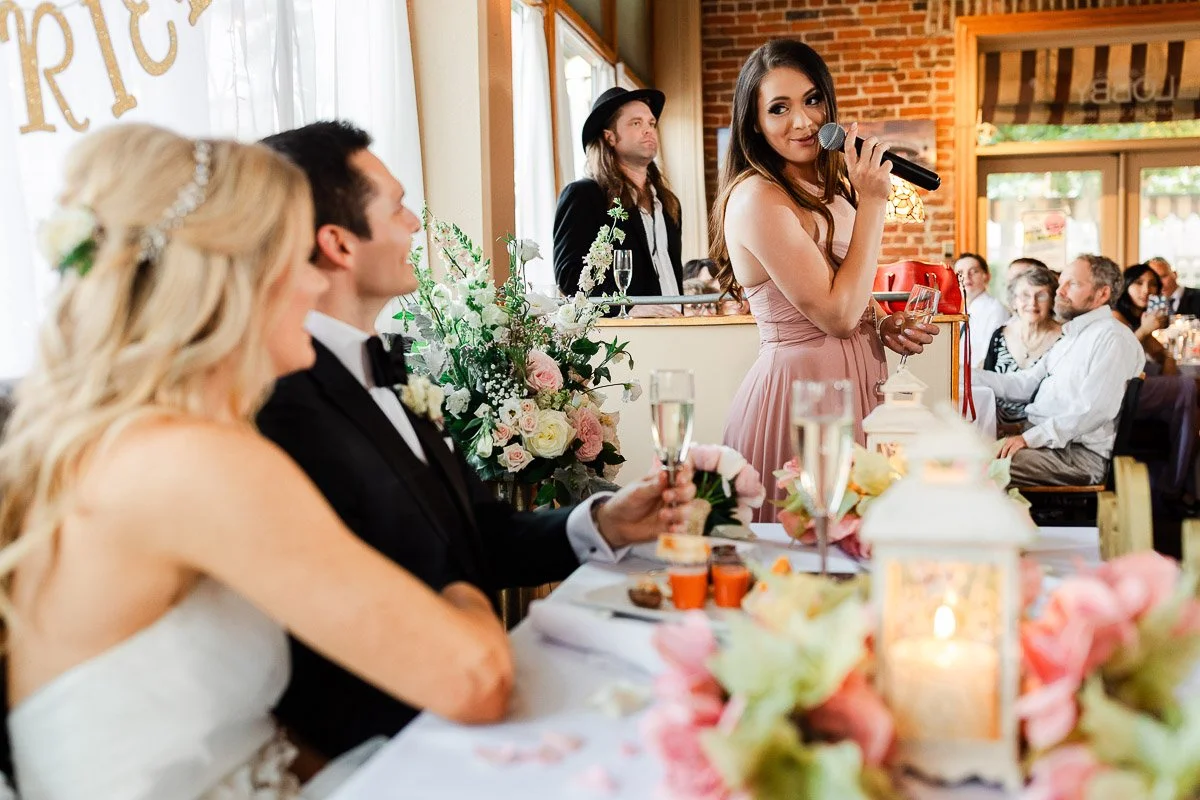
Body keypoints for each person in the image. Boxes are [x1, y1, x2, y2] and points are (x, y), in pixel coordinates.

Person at [0, 125, 520, 798]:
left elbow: (231, 732)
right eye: (294, 254)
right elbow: (476, 680)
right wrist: (461, 589)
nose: (313, 280)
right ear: (237, 278)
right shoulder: (192, 462)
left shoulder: (117, 443)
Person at [258, 121, 695, 764]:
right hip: (397, 739)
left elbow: (480, 537)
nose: (414, 224)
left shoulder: (397, 366)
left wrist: (601, 522)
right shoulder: (282, 402)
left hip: (479, 701)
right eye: (397, 207)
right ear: (338, 244)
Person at [711, 39, 936, 523]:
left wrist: (883, 323)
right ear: (754, 123)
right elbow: (835, 316)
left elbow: (848, 296)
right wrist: (876, 202)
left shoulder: (829, 187)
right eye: (779, 108)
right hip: (800, 398)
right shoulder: (757, 198)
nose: (803, 121)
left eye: (813, 100)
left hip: (858, 392)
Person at [979, 254, 1144, 487]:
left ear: (1102, 294)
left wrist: (1027, 438)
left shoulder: (1112, 338)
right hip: (1051, 447)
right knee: (960, 450)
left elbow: (1093, 411)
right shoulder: (1072, 336)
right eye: (1062, 282)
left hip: (1079, 456)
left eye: (1072, 284)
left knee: (972, 467)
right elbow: (1025, 384)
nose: (1060, 291)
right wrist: (963, 374)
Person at [553, 87, 683, 318]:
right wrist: (626, 308)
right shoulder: (583, 195)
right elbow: (569, 276)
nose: (648, 130)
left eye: (651, 123)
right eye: (635, 123)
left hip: (674, 329)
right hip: (622, 337)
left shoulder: (668, 202)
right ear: (609, 136)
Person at [983, 266, 1062, 427]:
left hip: (1042, 432)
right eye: (1025, 295)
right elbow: (987, 384)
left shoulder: (1064, 339)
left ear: (1052, 300)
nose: (1032, 303)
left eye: (1041, 295)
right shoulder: (1000, 335)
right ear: (1014, 301)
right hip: (994, 427)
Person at [955, 252, 1010, 369]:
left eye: (974, 271)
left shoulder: (995, 310)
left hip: (980, 380)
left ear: (987, 276)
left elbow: (990, 357)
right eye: (960, 273)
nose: (966, 277)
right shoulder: (961, 312)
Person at [1114, 262, 1171, 371]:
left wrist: (1169, 359)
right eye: (1138, 283)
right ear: (1125, 285)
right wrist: (1144, 330)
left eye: (1153, 284)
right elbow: (1118, 356)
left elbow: (1159, 354)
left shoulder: (1137, 317)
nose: (1146, 290)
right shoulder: (1115, 316)